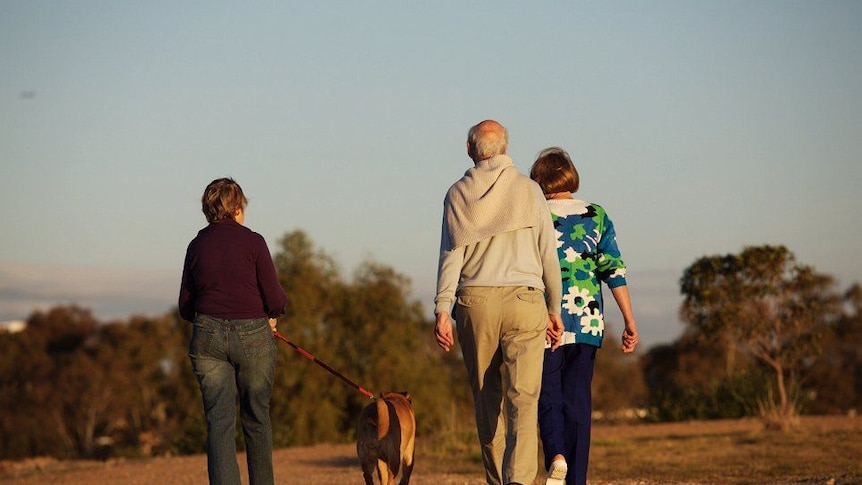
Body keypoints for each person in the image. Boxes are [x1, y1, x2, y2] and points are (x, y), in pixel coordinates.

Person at [434, 120, 564, 485]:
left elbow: (450, 256)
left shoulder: (457, 194)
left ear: (469, 148)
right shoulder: (530, 190)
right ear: (506, 148)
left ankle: (497, 480)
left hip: (476, 303)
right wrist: (555, 308)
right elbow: (547, 254)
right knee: (524, 398)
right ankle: (519, 481)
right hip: (526, 300)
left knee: (486, 399)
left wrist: (443, 309)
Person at [529, 147, 639, 485]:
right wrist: (629, 320)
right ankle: (576, 479)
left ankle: (556, 455)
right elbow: (614, 270)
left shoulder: (532, 214)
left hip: (545, 320)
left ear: (539, 179)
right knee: (577, 403)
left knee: (546, 395)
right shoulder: (597, 215)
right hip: (589, 320)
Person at [179, 177, 287, 485]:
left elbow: (186, 306)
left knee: (219, 420)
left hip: (207, 336)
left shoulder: (196, 245)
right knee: (256, 419)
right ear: (237, 208)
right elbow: (276, 299)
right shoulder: (254, 242)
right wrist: (272, 316)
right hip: (253, 334)